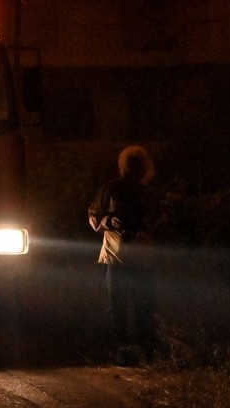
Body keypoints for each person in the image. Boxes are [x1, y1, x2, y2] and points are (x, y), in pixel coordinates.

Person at [88, 145, 161, 365]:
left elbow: (157, 219)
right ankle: (130, 350)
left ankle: (135, 350)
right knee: (130, 304)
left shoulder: (144, 193)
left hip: (128, 255)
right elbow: (94, 217)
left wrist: (143, 226)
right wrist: (109, 222)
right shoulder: (113, 190)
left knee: (131, 304)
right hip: (124, 254)